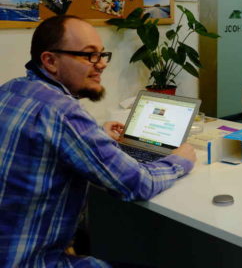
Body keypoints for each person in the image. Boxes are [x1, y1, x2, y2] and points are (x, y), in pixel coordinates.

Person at [0, 15, 196, 267]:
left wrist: (96, 133)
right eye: (89, 55)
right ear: (50, 61)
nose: (101, 64)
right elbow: (138, 183)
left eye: (102, 54)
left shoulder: (11, 89)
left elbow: (43, 142)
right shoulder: (62, 112)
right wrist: (179, 160)